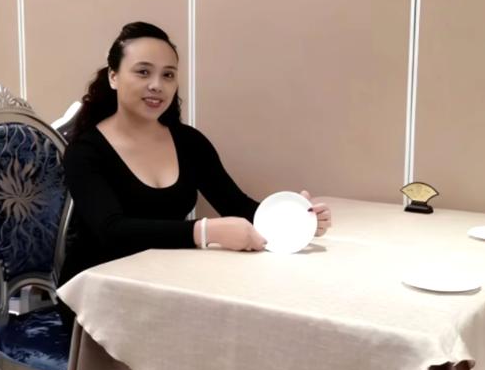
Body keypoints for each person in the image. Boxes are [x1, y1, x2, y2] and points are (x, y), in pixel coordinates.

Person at [59, 21, 331, 286]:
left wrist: (293, 218)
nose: (157, 85)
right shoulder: (86, 150)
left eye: (168, 75)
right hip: (96, 288)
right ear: (113, 76)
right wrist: (204, 231)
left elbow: (237, 206)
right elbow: (112, 231)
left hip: (167, 281)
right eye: (143, 72)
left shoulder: (189, 142)